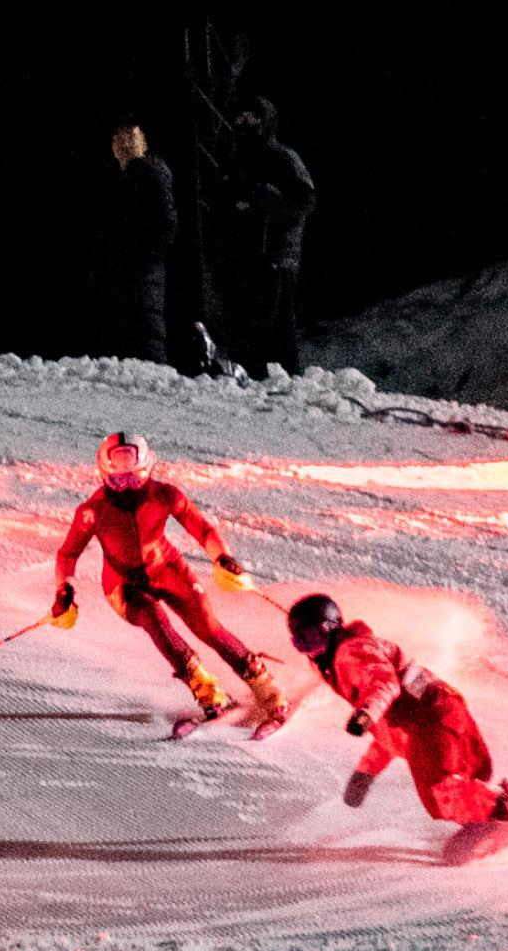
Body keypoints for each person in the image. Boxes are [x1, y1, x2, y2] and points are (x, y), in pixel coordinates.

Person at [49, 430, 290, 732]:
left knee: (207, 626)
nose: (127, 488)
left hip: (167, 569)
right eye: (117, 480)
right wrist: (64, 588)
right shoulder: (91, 512)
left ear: (148, 469)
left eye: (135, 478)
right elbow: (67, 553)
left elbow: (202, 530)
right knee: (154, 618)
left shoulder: (166, 495)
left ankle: (265, 687)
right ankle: (206, 689)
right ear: (104, 475)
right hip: (123, 585)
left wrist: (222, 557)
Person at [288, 592, 508, 828]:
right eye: (301, 642)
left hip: (429, 720)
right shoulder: (352, 654)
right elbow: (391, 727)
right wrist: (367, 771)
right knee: (465, 785)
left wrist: (366, 714)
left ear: (332, 627)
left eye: (314, 637)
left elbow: (384, 684)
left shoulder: (351, 653)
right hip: (442, 710)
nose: (311, 649)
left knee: (443, 794)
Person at [235, 100, 318, 375]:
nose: (245, 121)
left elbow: (305, 199)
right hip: (249, 257)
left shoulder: (282, 157)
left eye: (252, 116)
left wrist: (272, 201)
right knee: (252, 329)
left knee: (276, 331)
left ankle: (285, 383)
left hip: (277, 257)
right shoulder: (242, 159)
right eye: (242, 116)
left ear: (265, 120)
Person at [93, 122, 182, 367]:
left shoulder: (150, 173)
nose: (119, 147)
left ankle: (158, 374)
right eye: (117, 142)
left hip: (143, 265)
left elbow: (166, 221)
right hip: (130, 263)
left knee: (147, 324)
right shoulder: (126, 176)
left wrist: (149, 255)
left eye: (125, 142)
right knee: (131, 326)